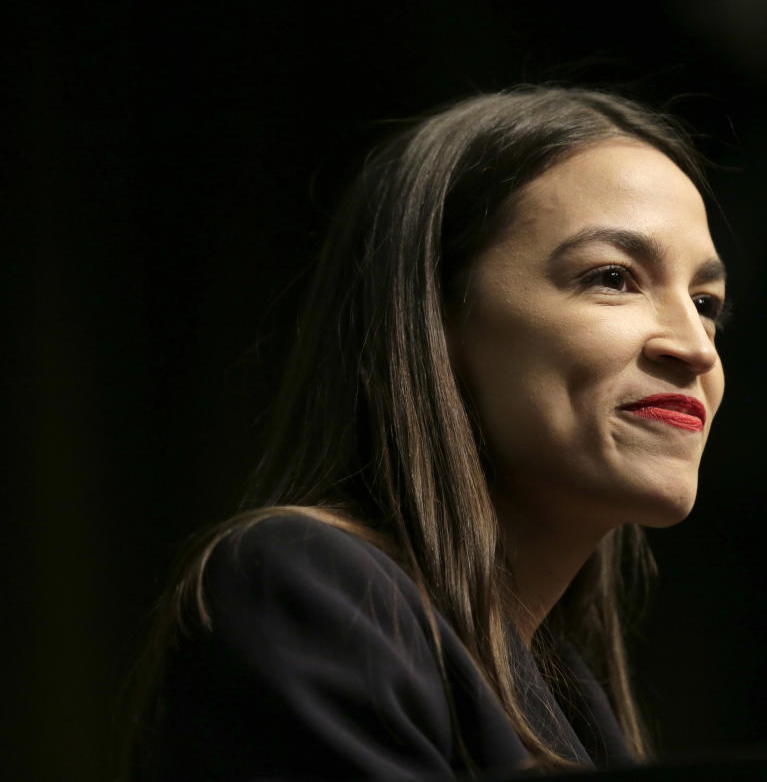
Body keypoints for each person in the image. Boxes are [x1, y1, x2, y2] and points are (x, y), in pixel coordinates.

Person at [125, 86, 729, 780]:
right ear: (435, 322)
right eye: (613, 277)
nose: (696, 347)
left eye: (706, 302)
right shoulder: (312, 595)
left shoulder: (572, 704)